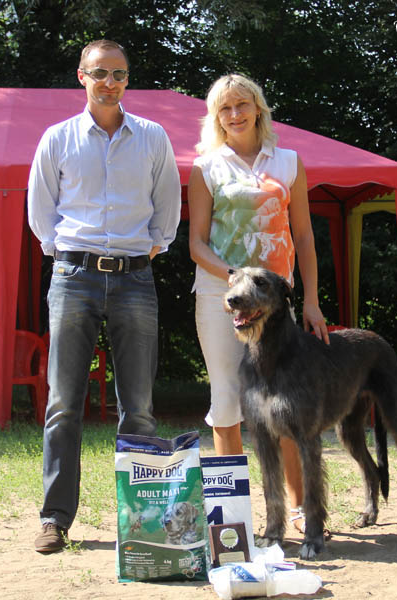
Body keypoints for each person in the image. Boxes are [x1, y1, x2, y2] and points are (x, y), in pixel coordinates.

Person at [27, 39, 181, 553]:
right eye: (100, 73)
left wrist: (145, 253)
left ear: (127, 79)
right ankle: (54, 518)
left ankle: (141, 522)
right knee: (63, 404)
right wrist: (66, 254)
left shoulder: (154, 138)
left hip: (136, 278)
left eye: (118, 73)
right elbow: (41, 211)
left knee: (137, 407)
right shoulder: (57, 138)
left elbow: (168, 210)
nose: (109, 82)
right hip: (73, 276)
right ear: (81, 77)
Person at [188, 73, 330, 536]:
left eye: (242, 104)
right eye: (225, 108)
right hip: (221, 299)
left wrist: (310, 299)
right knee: (228, 400)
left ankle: (299, 508)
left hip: (277, 303)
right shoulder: (206, 166)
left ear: (258, 108)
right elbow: (196, 243)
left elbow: (304, 236)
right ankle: (232, 517)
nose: (235, 113)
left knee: (285, 404)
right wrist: (237, 281)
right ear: (216, 116)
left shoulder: (288, 162)